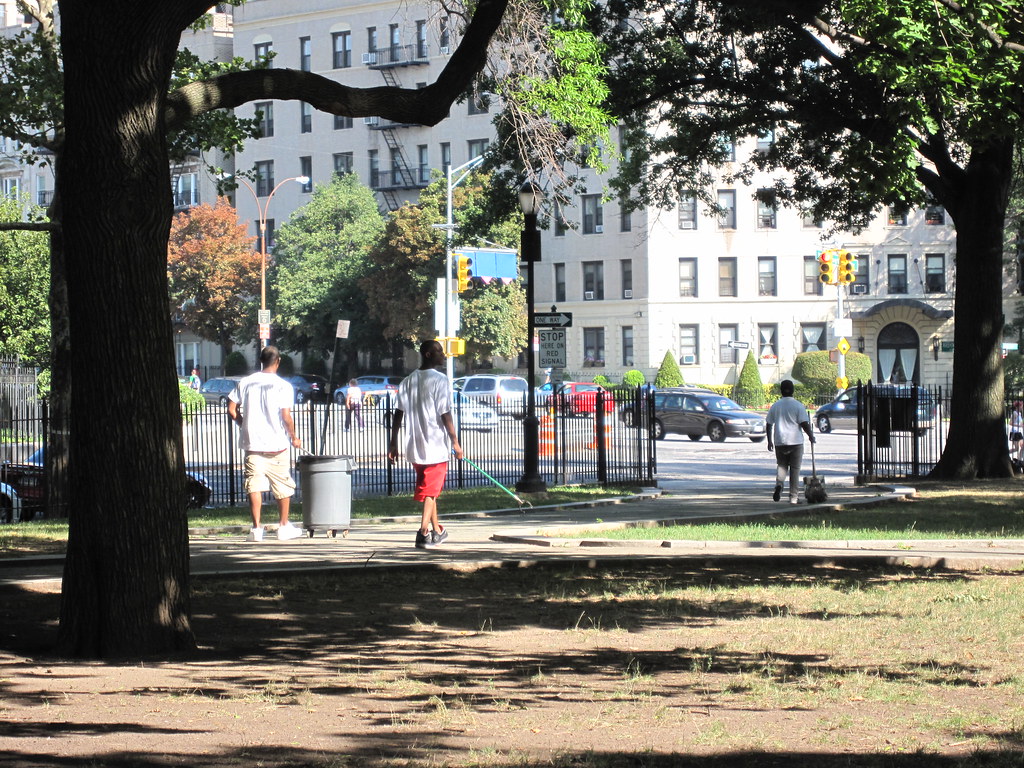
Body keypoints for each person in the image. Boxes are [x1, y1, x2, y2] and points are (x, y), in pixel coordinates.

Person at [387, 340, 464, 549]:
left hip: (415, 447)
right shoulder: (440, 380)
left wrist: (393, 442)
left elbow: (398, 413)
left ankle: (437, 530)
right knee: (431, 492)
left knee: (431, 490)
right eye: (439, 351)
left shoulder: (407, 381)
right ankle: (423, 533)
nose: (443, 355)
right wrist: (455, 442)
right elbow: (445, 413)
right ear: (428, 354)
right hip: (435, 447)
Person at [227, 346, 303, 541]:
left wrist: (243, 424)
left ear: (261, 360)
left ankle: (256, 529)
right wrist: (294, 436)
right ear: (278, 361)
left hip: (252, 444)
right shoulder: (283, 386)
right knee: (283, 485)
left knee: (254, 485)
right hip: (276, 444)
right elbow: (286, 417)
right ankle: (283, 526)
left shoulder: (246, 382)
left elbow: (232, 409)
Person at [766, 379, 816, 505]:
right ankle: (793, 497)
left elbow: (769, 424)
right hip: (795, 442)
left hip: (780, 441)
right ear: (793, 390)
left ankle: (779, 484)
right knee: (795, 469)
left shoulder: (775, 406)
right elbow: (804, 423)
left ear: (781, 391)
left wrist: (769, 441)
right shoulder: (798, 405)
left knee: (782, 466)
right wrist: (811, 436)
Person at [1010, 401, 1024, 465]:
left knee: (1021, 447)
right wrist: (1019, 425)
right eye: (1021, 406)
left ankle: (1019, 461)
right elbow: (1010, 423)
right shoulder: (1015, 413)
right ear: (1018, 407)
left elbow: (1020, 423)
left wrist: (1022, 425)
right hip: (1015, 432)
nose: (1022, 408)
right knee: (1017, 449)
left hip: (1019, 432)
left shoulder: (1019, 413)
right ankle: (1004, 454)